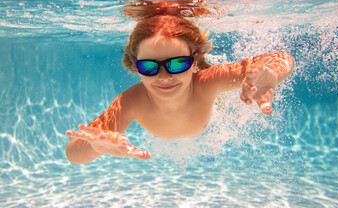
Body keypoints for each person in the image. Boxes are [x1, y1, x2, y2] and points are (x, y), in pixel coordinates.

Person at [65, 14, 295, 164]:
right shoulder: (131, 101)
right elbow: (73, 152)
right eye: (149, 67)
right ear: (137, 67)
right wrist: (96, 147)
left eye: (177, 63)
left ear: (195, 62)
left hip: (213, 111)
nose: (164, 77)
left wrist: (272, 74)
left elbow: (282, 57)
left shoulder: (208, 81)